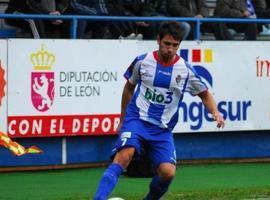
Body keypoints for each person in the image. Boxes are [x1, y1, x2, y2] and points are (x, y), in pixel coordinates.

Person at [93, 21, 225, 200]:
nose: (170, 49)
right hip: (137, 120)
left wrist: (215, 112)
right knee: (125, 155)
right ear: (158, 40)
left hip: (162, 130)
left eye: (175, 45)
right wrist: (123, 119)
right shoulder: (142, 61)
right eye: (167, 44)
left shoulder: (186, 70)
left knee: (167, 172)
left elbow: (205, 94)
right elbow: (128, 88)